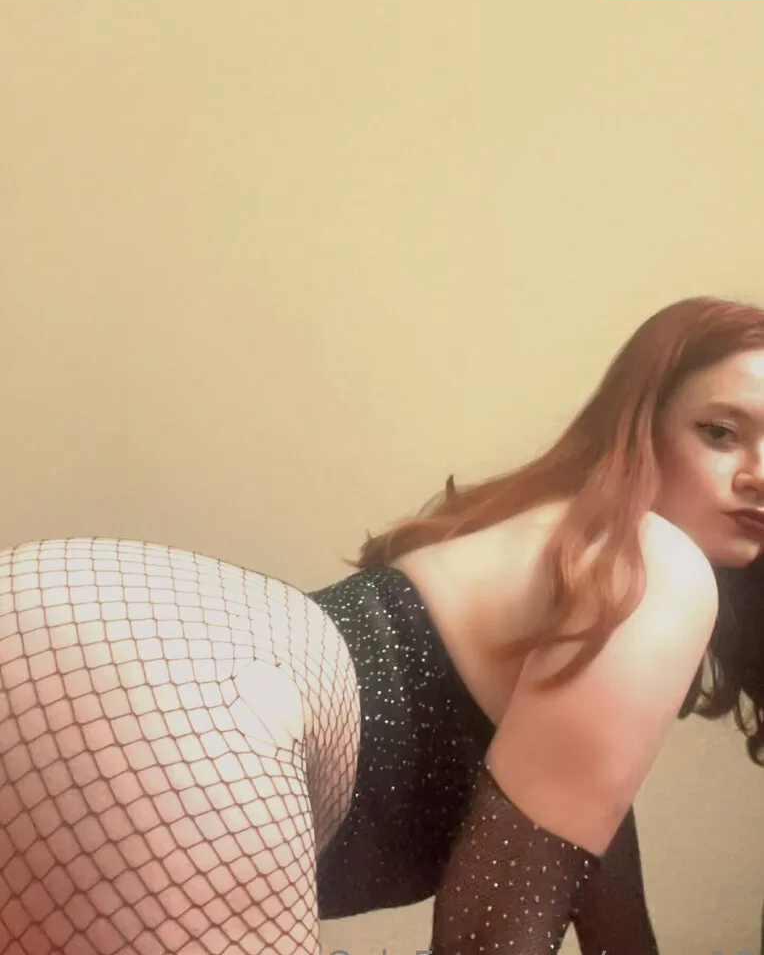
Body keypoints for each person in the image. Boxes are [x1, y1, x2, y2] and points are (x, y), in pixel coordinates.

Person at [1, 296, 764, 955]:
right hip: (196, 701)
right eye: (721, 432)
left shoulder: (555, 558)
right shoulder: (655, 564)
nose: (758, 473)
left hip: (59, 611)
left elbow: (608, 899)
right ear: (641, 431)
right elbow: (488, 936)